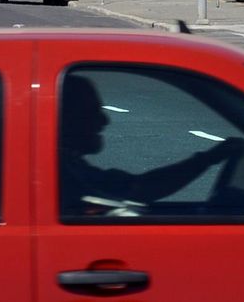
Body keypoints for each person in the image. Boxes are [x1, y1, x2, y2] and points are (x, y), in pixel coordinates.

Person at [60, 74, 226, 219]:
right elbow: (137, 190)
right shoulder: (64, 173)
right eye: (89, 112)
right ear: (66, 120)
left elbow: (135, 186)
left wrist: (208, 159)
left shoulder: (69, 166)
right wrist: (206, 160)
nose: (104, 120)